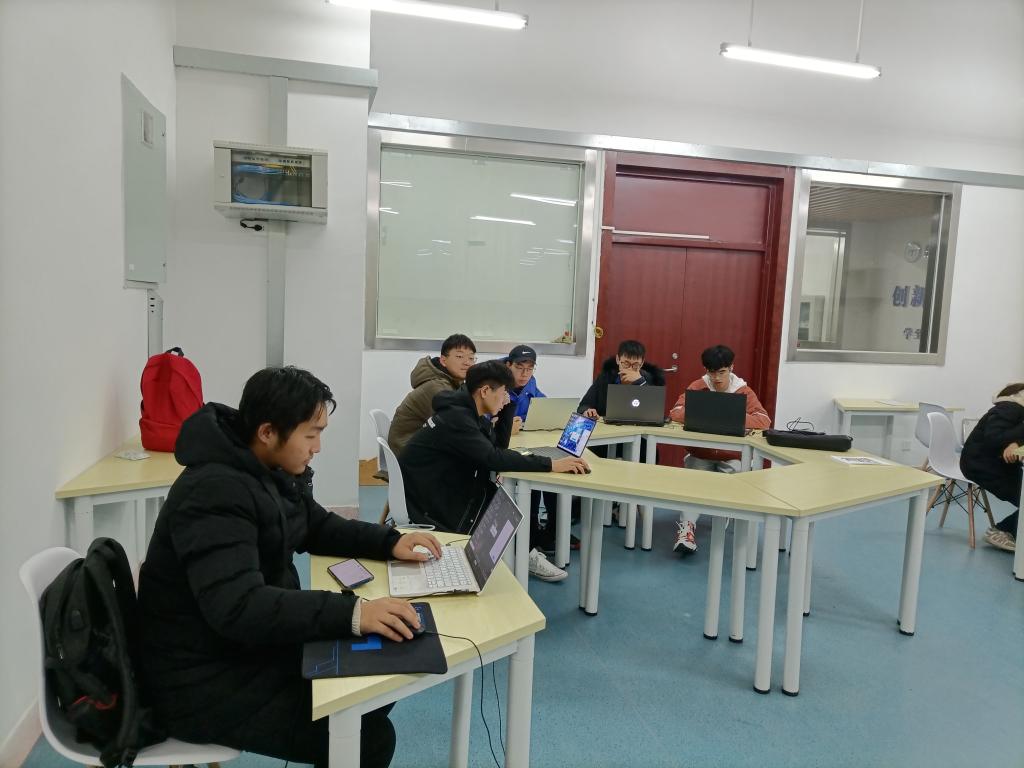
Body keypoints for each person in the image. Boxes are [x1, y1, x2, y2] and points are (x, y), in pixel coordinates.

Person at [137, 367, 442, 768]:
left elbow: (315, 525)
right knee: (368, 738)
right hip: (198, 678)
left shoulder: (266, 467)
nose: (318, 447)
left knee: (375, 683)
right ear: (267, 432)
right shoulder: (214, 491)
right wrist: (354, 613)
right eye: (311, 435)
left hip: (241, 647)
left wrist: (389, 542)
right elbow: (239, 607)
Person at [400, 360, 589, 581]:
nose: (506, 397)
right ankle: (520, 557)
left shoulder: (465, 409)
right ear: (485, 391)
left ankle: (522, 554)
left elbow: (496, 447)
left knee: (498, 494)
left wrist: (507, 408)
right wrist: (552, 464)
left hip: (435, 481)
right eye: (503, 392)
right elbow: (493, 458)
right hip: (429, 496)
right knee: (499, 499)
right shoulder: (458, 418)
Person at [668, 345, 771, 553]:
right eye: (711, 372)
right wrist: (706, 412)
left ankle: (723, 518)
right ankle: (686, 531)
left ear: (731, 368)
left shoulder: (743, 390)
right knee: (692, 484)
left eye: (721, 372)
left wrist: (730, 415)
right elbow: (675, 412)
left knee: (734, 477)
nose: (716, 378)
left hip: (732, 456)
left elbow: (764, 420)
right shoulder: (699, 386)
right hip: (701, 453)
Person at [504, 343, 580, 558]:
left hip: (529, 443)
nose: (524, 374)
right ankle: (529, 538)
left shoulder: (531, 384)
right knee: (535, 477)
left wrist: (552, 414)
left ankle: (550, 534)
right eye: (520, 368)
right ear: (508, 365)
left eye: (530, 369)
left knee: (554, 474)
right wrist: (504, 425)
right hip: (504, 448)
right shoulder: (495, 383)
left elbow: (542, 405)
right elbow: (485, 418)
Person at [387, 333, 476, 457]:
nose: (467, 363)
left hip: (416, 445)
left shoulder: (451, 382)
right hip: (408, 452)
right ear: (443, 361)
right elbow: (457, 426)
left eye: (471, 358)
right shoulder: (437, 388)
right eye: (460, 356)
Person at [960, 382, 1024, 552]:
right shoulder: (1010, 408)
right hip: (982, 466)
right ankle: (1002, 531)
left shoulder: (1013, 407)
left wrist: (1017, 442)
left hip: (996, 464)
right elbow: (993, 438)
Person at [578, 339, 665, 419]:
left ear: (642, 363)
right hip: (609, 427)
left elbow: (657, 412)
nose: (630, 369)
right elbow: (584, 405)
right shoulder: (605, 377)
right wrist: (587, 411)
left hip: (639, 427)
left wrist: (640, 382)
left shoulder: (648, 379)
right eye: (626, 364)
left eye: (635, 365)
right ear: (618, 360)